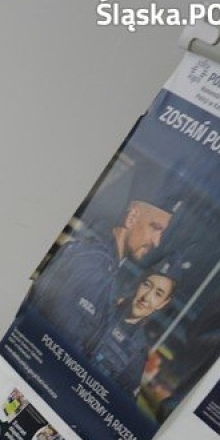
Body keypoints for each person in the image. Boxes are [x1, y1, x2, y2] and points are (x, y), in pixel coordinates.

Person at [29, 171, 182, 340]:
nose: (157, 241)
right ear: (132, 218)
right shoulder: (93, 265)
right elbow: (51, 337)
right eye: (155, 228)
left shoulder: (103, 265)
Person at [84, 255, 185, 398]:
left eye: (158, 294)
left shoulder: (138, 352)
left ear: (162, 303)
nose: (146, 297)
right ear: (139, 282)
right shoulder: (98, 307)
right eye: (147, 285)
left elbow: (119, 400)